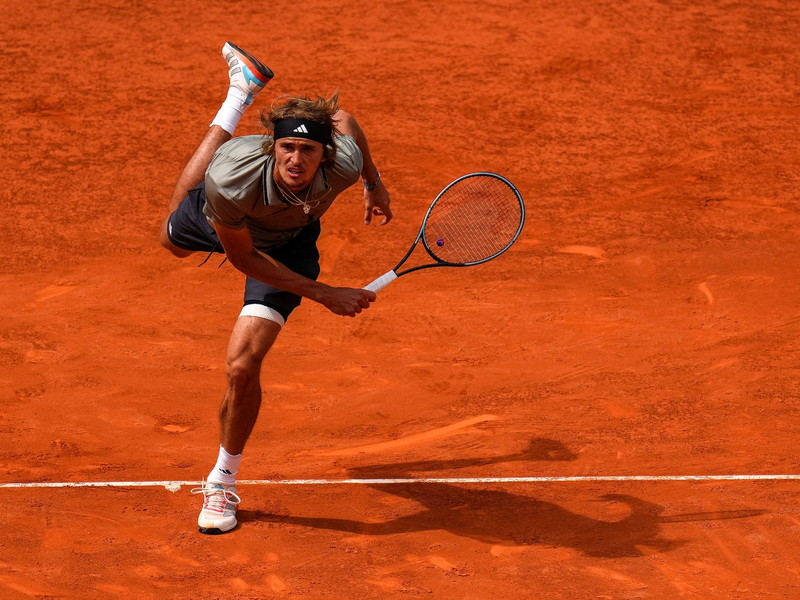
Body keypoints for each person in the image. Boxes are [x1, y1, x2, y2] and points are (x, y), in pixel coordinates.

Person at [159, 42, 392, 534]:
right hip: (229, 221)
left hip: (288, 245)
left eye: (308, 150)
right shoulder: (232, 179)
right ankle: (238, 95)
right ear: (273, 146)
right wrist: (324, 292)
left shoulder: (341, 164)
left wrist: (373, 182)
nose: (296, 159)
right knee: (170, 239)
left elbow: (344, 118)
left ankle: (222, 482)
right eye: (287, 147)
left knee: (243, 366)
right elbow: (243, 258)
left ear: (324, 154)